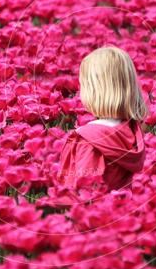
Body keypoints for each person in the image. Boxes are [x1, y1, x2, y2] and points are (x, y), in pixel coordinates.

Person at [58, 46, 148, 191]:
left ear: (94, 91)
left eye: (83, 85)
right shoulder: (131, 131)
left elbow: (85, 190)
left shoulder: (88, 140)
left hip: (95, 212)